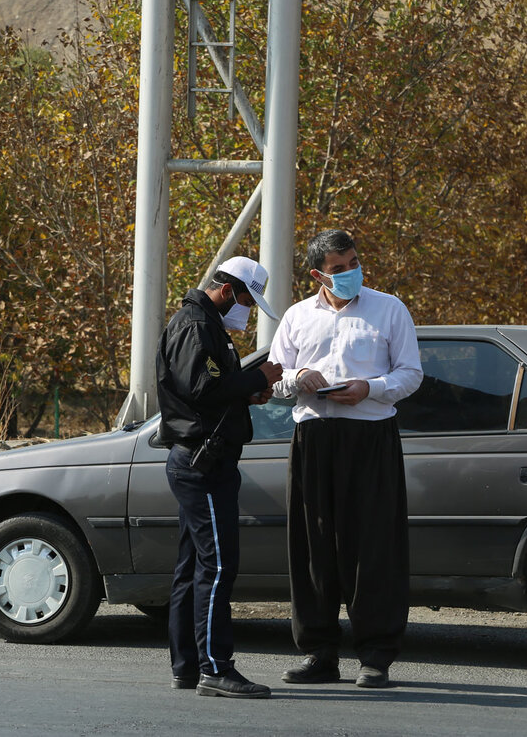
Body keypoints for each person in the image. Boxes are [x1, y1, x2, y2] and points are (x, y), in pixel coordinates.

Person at [268, 229, 423, 689]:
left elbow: (411, 374)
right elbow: (275, 378)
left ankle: (375, 656)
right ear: (318, 274)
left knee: (372, 547)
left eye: (353, 263)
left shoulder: (389, 309)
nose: (350, 273)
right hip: (314, 436)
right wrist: (299, 377)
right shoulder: (297, 316)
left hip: (370, 436)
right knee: (313, 548)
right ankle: (319, 653)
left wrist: (369, 388)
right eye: (339, 268)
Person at [156, 256, 283, 699]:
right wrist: (256, 375)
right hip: (202, 465)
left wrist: (249, 390)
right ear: (228, 290)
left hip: (204, 461)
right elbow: (201, 389)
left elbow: (211, 392)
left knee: (192, 568)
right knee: (218, 565)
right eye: (247, 299)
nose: (247, 311)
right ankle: (214, 667)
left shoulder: (206, 324)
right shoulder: (197, 326)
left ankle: (188, 666)